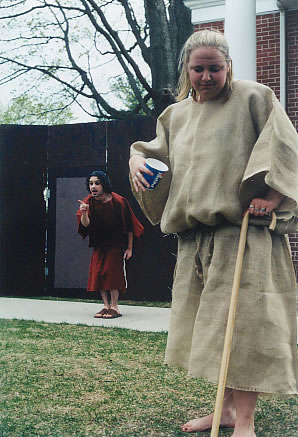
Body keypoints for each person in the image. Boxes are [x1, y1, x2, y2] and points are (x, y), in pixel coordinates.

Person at [129, 29, 298, 437]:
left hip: (243, 234)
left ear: (228, 68)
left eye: (215, 68)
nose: (207, 76)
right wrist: (135, 159)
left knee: (244, 327)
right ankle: (221, 411)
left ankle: (244, 422)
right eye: (199, 68)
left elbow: (286, 147)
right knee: (213, 330)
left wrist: (273, 197)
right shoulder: (176, 116)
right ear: (187, 70)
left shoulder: (254, 98)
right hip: (196, 239)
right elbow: (151, 152)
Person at [76, 170, 144, 319]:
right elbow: (85, 225)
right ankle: (106, 306)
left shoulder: (118, 201)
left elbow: (130, 227)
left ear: (104, 185)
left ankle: (115, 307)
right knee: (99, 273)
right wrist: (85, 212)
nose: (93, 187)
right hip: (99, 244)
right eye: (91, 183)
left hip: (116, 244)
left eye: (97, 183)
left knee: (112, 274)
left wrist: (129, 248)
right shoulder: (88, 202)